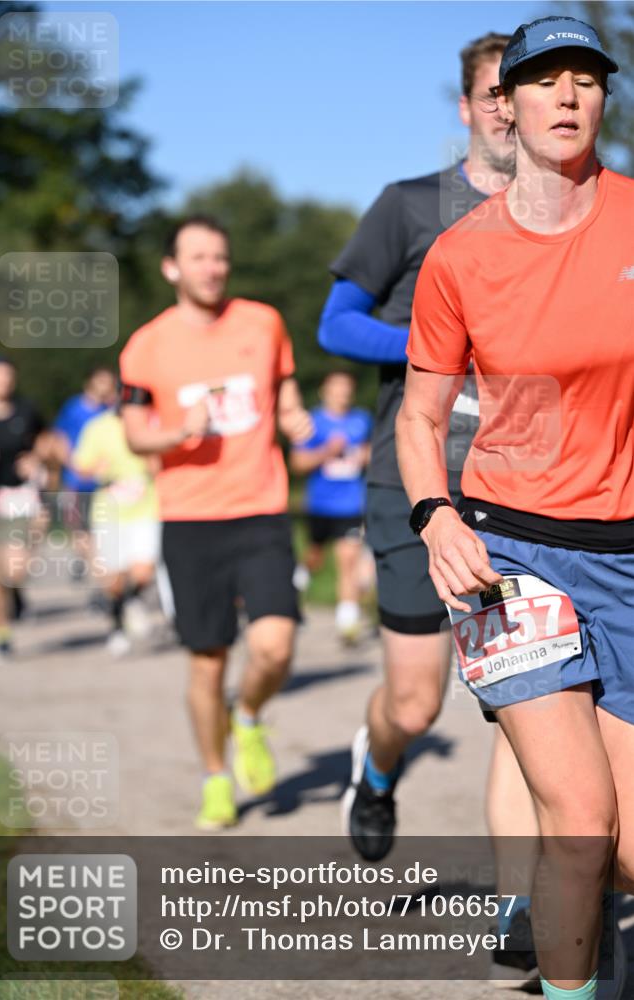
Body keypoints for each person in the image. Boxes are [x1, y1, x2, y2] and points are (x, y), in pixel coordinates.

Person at [399, 16, 632, 1000]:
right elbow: (419, 418)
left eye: (586, 79)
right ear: (506, 104)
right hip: (506, 555)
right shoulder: (460, 255)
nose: (567, 96)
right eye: (544, 80)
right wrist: (433, 516)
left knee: (627, 852)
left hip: (625, 554)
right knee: (579, 822)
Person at [319, 33, 526, 853]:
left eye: (518, 90)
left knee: (526, 702)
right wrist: (438, 345)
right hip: (414, 481)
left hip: (524, 490)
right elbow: (336, 324)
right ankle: (375, 771)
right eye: (491, 94)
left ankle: (531, 901)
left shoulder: (567, 216)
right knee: (415, 705)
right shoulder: (409, 205)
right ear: (465, 107)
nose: (506, 108)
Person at [119, 214, 313, 830]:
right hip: (190, 518)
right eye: (199, 257)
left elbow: (284, 392)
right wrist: (181, 431)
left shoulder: (263, 322)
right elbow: (134, 435)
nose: (213, 268)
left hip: (260, 508)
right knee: (208, 661)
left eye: (220, 257)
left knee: (275, 647)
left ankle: (248, 716)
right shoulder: (146, 345)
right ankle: (215, 778)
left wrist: (295, 418)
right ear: (170, 268)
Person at [0, 355, 49, 661]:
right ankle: (1, 630)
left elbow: (47, 442)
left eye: (7, 375)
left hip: (18, 496)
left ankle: (12, 590)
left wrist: (37, 460)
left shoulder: (27, 411)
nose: (2, 380)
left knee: (13, 569)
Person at [72, 402, 160, 657]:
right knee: (114, 581)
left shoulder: (153, 421)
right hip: (109, 509)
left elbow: (160, 465)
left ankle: (132, 601)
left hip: (146, 506)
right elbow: (81, 465)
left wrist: (152, 461)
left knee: (144, 571)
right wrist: (94, 468)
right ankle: (118, 625)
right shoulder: (98, 427)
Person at [290, 370, 372, 643]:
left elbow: (373, 451)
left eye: (346, 388)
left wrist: (365, 455)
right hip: (320, 505)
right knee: (315, 557)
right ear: (324, 391)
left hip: (352, 504)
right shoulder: (312, 421)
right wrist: (327, 451)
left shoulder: (361, 420)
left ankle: (347, 623)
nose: (342, 393)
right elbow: (297, 463)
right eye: (336, 388)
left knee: (348, 561)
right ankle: (297, 583)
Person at [52, 367, 118, 580]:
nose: (106, 386)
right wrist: (72, 464)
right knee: (80, 529)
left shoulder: (111, 410)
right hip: (78, 481)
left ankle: (96, 569)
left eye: (109, 382)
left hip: (103, 483)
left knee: (101, 531)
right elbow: (59, 438)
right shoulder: (74, 408)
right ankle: (96, 572)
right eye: (101, 381)